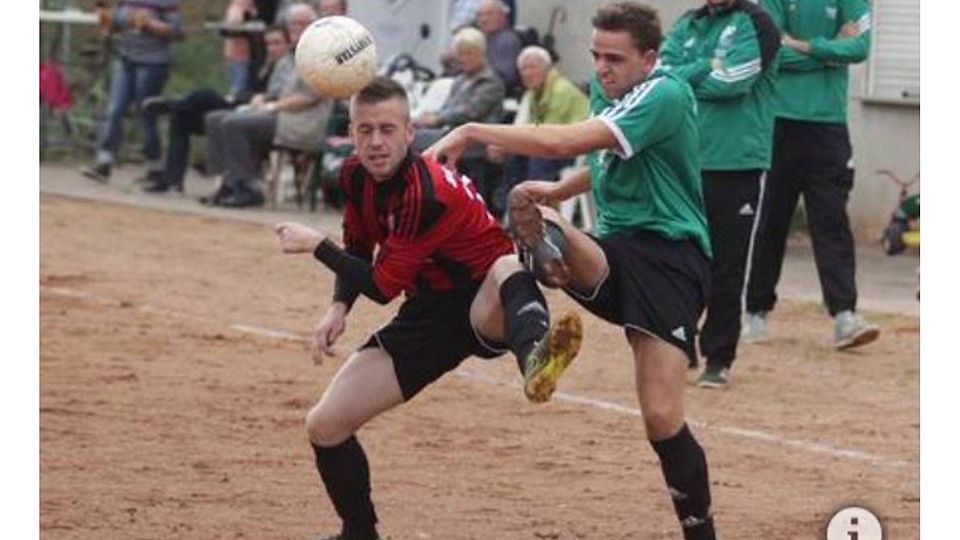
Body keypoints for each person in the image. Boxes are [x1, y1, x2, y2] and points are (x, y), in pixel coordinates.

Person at [425, 3, 718, 538]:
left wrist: (470, 129)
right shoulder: (617, 90)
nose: (602, 68)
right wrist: (560, 190)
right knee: (536, 211)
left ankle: (701, 530)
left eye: (615, 58)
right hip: (616, 252)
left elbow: (566, 141)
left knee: (661, 419)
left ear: (649, 58)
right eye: (596, 56)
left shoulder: (665, 93)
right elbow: (609, 155)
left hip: (671, 262)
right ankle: (542, 293)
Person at [274, 77, 582, 540]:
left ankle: (536, 359)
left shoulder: (426, 192)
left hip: (486, 301)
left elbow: (382, 286)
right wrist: (338, 306)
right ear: (351, 133)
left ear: (409, 133)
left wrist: (317, 244)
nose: (376, 142)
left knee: (506, 264)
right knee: (325, 425)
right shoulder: (354, 175)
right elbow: (359, 248)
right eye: (365, 130)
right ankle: (359, 533)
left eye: (387, 130)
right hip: (428, 315)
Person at [743, 0, 879, 350]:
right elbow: (771, 53)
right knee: (772, 219)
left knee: (831, 221)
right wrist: (830, 51)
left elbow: (860, 47)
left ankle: (845, 315)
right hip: (781, 122)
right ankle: (756, 310)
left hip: (828, 125)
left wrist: (801, 44)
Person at [659, 0, 780, 388]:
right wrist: (705, 67)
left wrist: (688, 75)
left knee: (727, 265)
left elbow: (734, 81)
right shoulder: (688, 23)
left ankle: (719, 356)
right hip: (686, 159)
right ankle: (681, 342)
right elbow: (660, 76)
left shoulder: (758, 22)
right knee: (679, 259)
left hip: (736, 162)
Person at [202, 3, 330, 208]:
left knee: (232, 124)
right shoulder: (291, 56)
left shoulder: (319, 56)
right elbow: (277, 91)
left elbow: (309, 97)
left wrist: (273, 106)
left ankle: (247, 187)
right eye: (293, 24)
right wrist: (262, 99)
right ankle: (227, 182)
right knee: (215, 118)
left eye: (303, 24)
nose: (297, 28)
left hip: (301, 121)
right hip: (281, 114)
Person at [142, 24, 292, 194]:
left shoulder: (288, 66)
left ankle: (172, 105)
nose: (271, 48)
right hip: (242, 106)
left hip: (257, 113)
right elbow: (247, 91)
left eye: (276, 43)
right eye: (268, 44)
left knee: (206, 95)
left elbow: (281, 94)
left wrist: (259, 98)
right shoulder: (262, 65)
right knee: (180, 118)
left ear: (288, 44)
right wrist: (239, 97)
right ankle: (172, 180)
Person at [80, 0, 183, 184]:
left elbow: (176, 32)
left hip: (153, 62)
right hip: (126, 58)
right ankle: (104, 162)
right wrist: (108, 21)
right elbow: (116, 25)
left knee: (146, 111)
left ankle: (155, 165)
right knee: (115, 110)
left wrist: (150, 24)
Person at [489, 45, 589, 217]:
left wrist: (513, 144)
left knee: (537, 157)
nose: (528, 73)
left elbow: (550, 135)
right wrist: (505, 144)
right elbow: (522, 127)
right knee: (517, 156)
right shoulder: (533, 94)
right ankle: (509, 207)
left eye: (533, 67)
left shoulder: (561, 90)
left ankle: (536, 209)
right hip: (555, 145)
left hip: (576, 149)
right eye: (524, 69)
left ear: (547, 69)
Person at [414, 27, 506, 206]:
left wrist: (437, 119)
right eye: (461, 54)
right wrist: (431, 116)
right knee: (411, 133)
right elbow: (449, 108)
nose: (464, 58)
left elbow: (469, 112)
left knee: (414, 140)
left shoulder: (490, 81)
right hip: (454, 134)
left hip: (476, 142)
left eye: (469, 53)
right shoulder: (460, 80)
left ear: (482, 53)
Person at [475, 0, 524, 94]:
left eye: (489, 14)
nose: (483, 20)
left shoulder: (507, 40)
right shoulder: (482, 39)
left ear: (503, 17)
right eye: (480, 15)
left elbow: (505, 77)